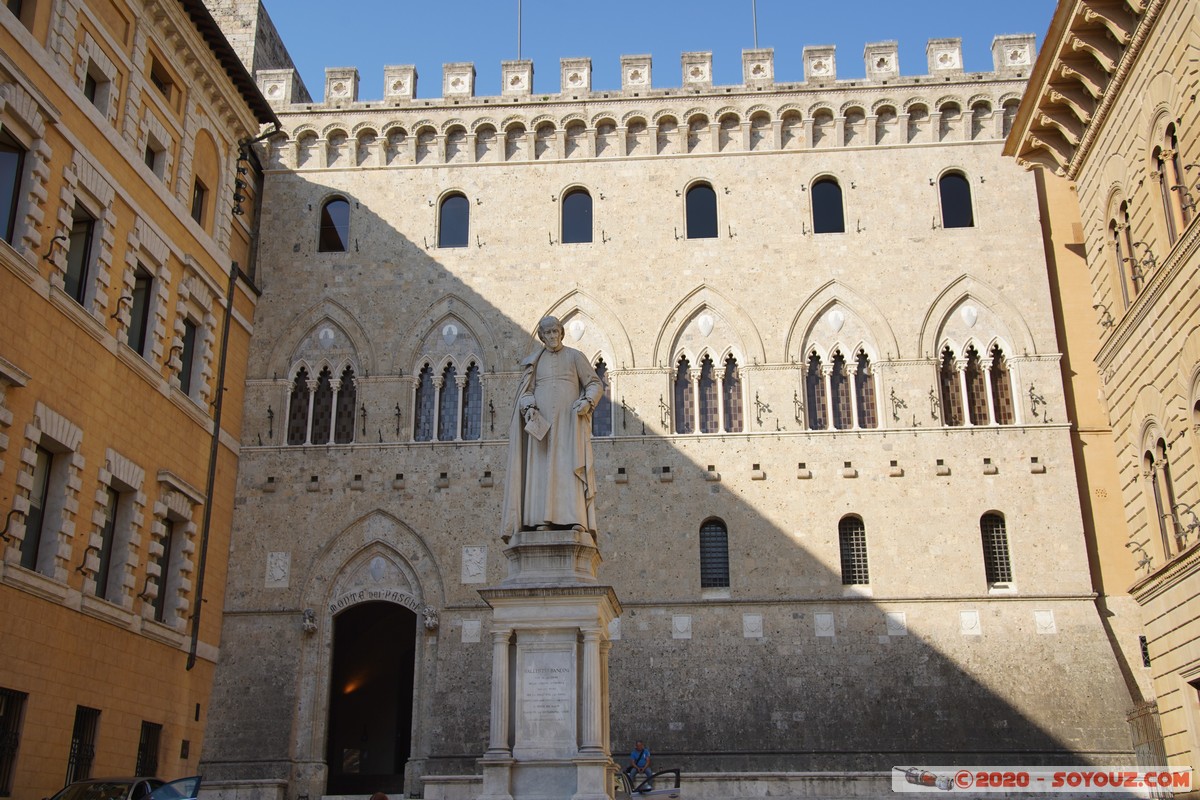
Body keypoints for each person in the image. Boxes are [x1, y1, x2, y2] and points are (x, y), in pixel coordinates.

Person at [501, 316, 603, 542]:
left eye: (556, 332)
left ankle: (575, 519)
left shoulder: (575, 357)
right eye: (548, 333)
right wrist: (528, 407)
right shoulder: (535, 362)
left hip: (569, 423)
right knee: (541, 470)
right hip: (542, 429)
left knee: (569, 466)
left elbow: (595, 383)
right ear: (542, 336)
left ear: (561, 333)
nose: (553, 336)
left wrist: (587, 401)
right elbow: (526, 391)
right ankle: (540, 520)